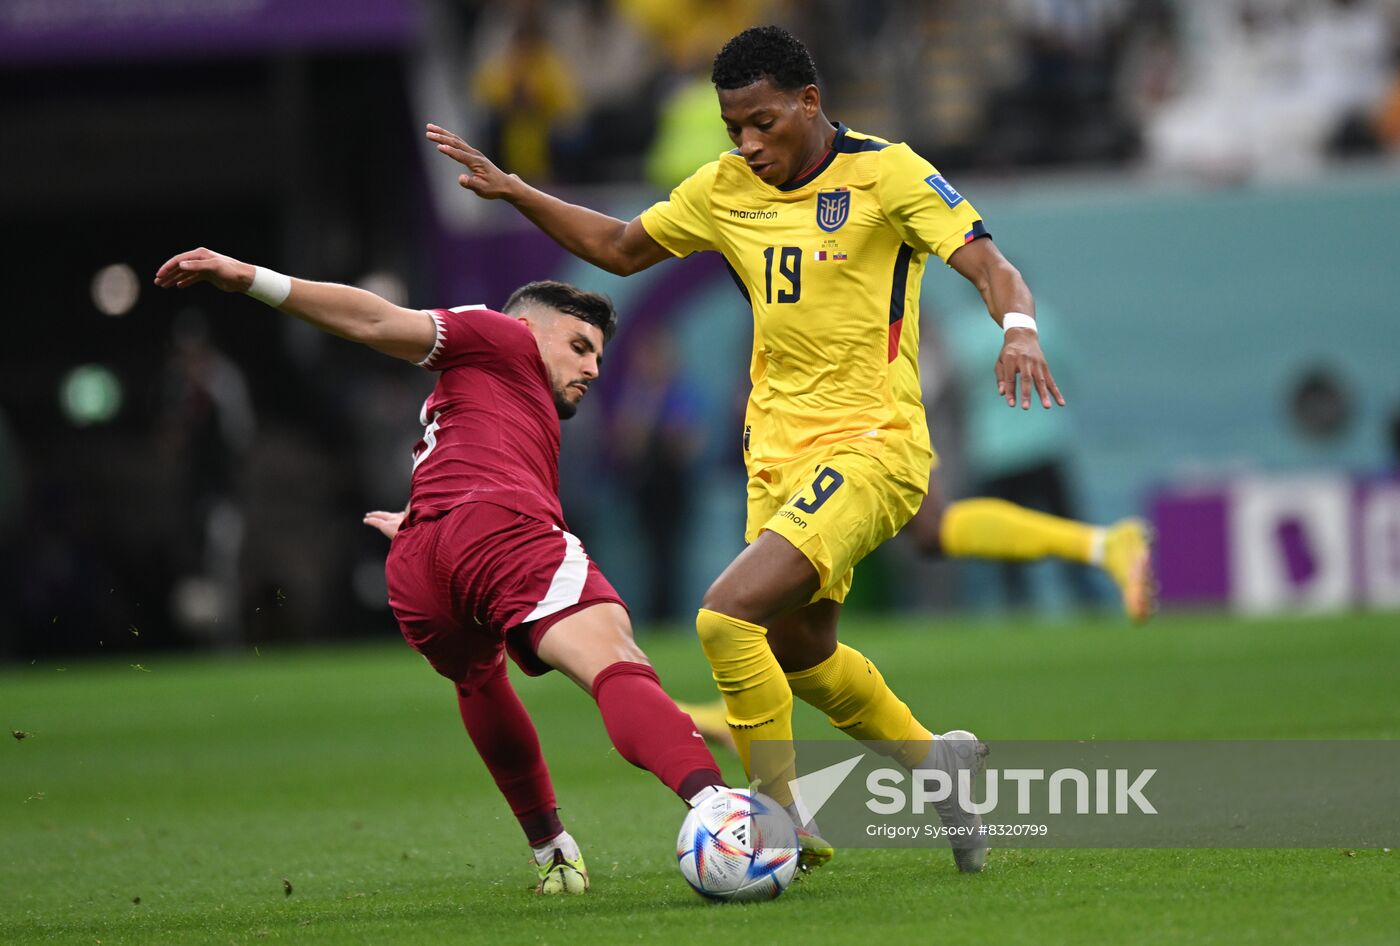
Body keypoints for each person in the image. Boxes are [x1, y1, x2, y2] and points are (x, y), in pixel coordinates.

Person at [425, 25, 1151, 873]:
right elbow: (620, 250)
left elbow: (988, 264)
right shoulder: (724, 187)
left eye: (763, 123)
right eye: (735, 126)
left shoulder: (889, 173)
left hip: (874, 445)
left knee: (725, 618)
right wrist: (517, 190)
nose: (749, 144)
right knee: (799, 653)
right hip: (777, 456)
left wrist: (1018, 330)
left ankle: (777, 825)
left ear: (811, 102)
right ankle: (936, 762)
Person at [153, 249, 727, 895]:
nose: (593, 367)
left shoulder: (475, 393)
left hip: (421, 562)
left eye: (598, 354)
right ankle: (719, 809)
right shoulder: (501, 334)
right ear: (531, 329)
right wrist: (253, 279)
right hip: (492, 531)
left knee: (479, 680)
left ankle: (552, 850)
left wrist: (428, 522)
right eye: (579, 346)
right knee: (614, 658)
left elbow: (457, 460)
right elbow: (375, 321)